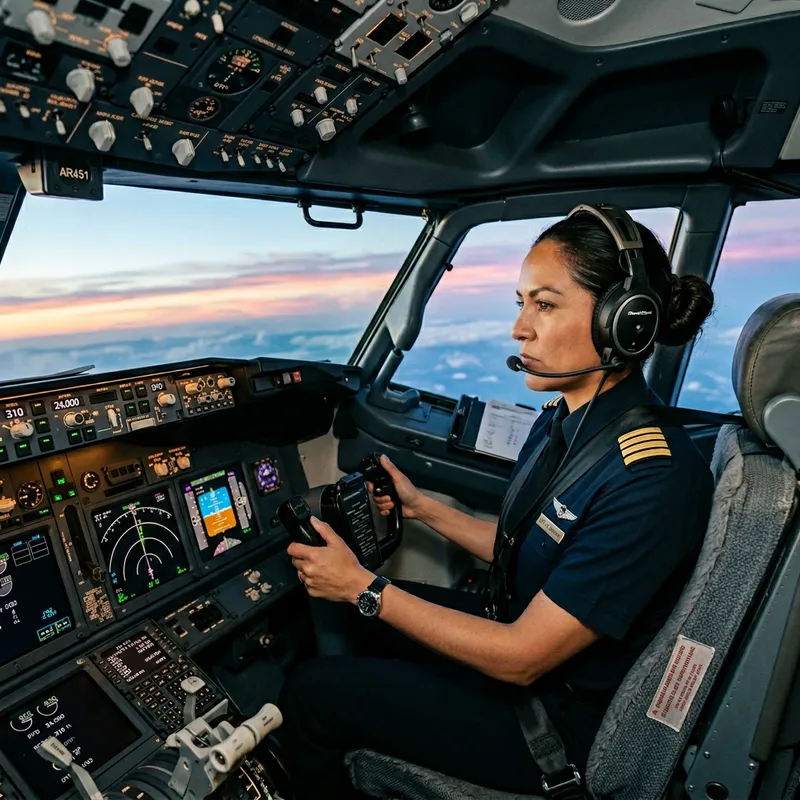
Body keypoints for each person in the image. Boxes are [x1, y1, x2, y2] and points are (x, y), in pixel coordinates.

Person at [276, 205, 716, 799]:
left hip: (550, 720)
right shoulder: (567, 421)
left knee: (313, 694)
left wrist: (364, 587)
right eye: (521, 303)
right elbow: (531, 545)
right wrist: (423, 507)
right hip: (517, 635)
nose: (520, 328)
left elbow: (522, 658)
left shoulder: (651, 477)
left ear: (624, 322)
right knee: (328, 616)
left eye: (546, 303)